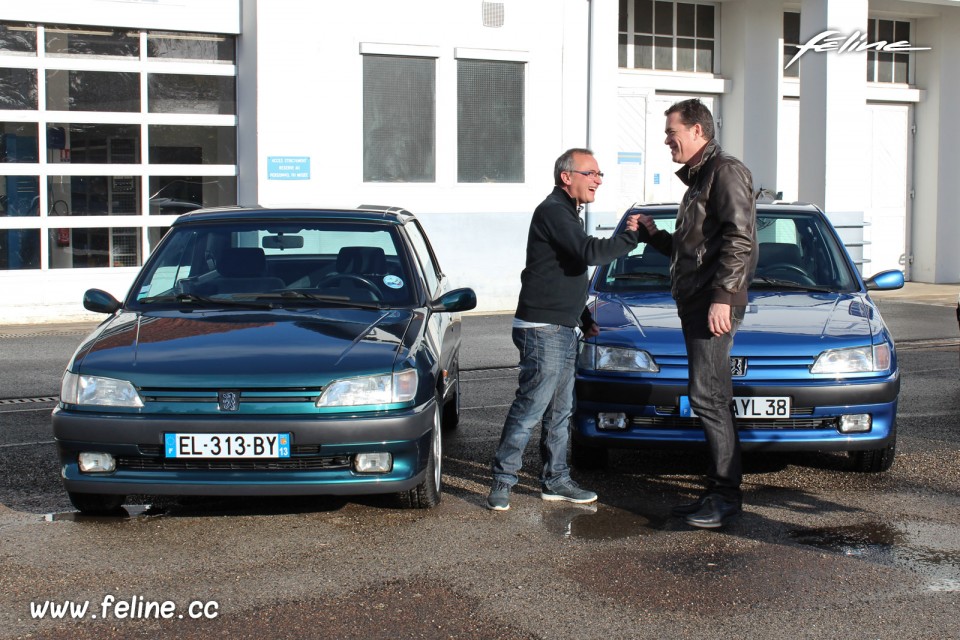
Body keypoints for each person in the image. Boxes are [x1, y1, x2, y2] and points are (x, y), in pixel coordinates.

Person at [487, 148, 640, 511]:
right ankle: (502, 482)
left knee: (561, 412)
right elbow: (587, 253)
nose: (598, 180)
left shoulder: (567, 212)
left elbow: (564, 272)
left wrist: (583, 318)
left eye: (600, 174)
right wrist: (630, 238)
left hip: (560, 325)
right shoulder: (554, 211)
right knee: (531, 408)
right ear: (566, 176)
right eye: (591, 173)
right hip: (543, 329)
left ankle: (555, 480)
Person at [637, 99, 757, 529]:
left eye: (673, 133)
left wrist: (723, 296)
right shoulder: (700, 178)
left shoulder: (724, 171)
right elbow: (694, 249)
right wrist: (655, 237)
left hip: (712, 303)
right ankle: (717, 491)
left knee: (709, 397)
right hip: (699, 300)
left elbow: (739, 238)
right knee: (709, 396)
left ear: (698, 132)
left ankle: (725, 497)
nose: (667, 140)